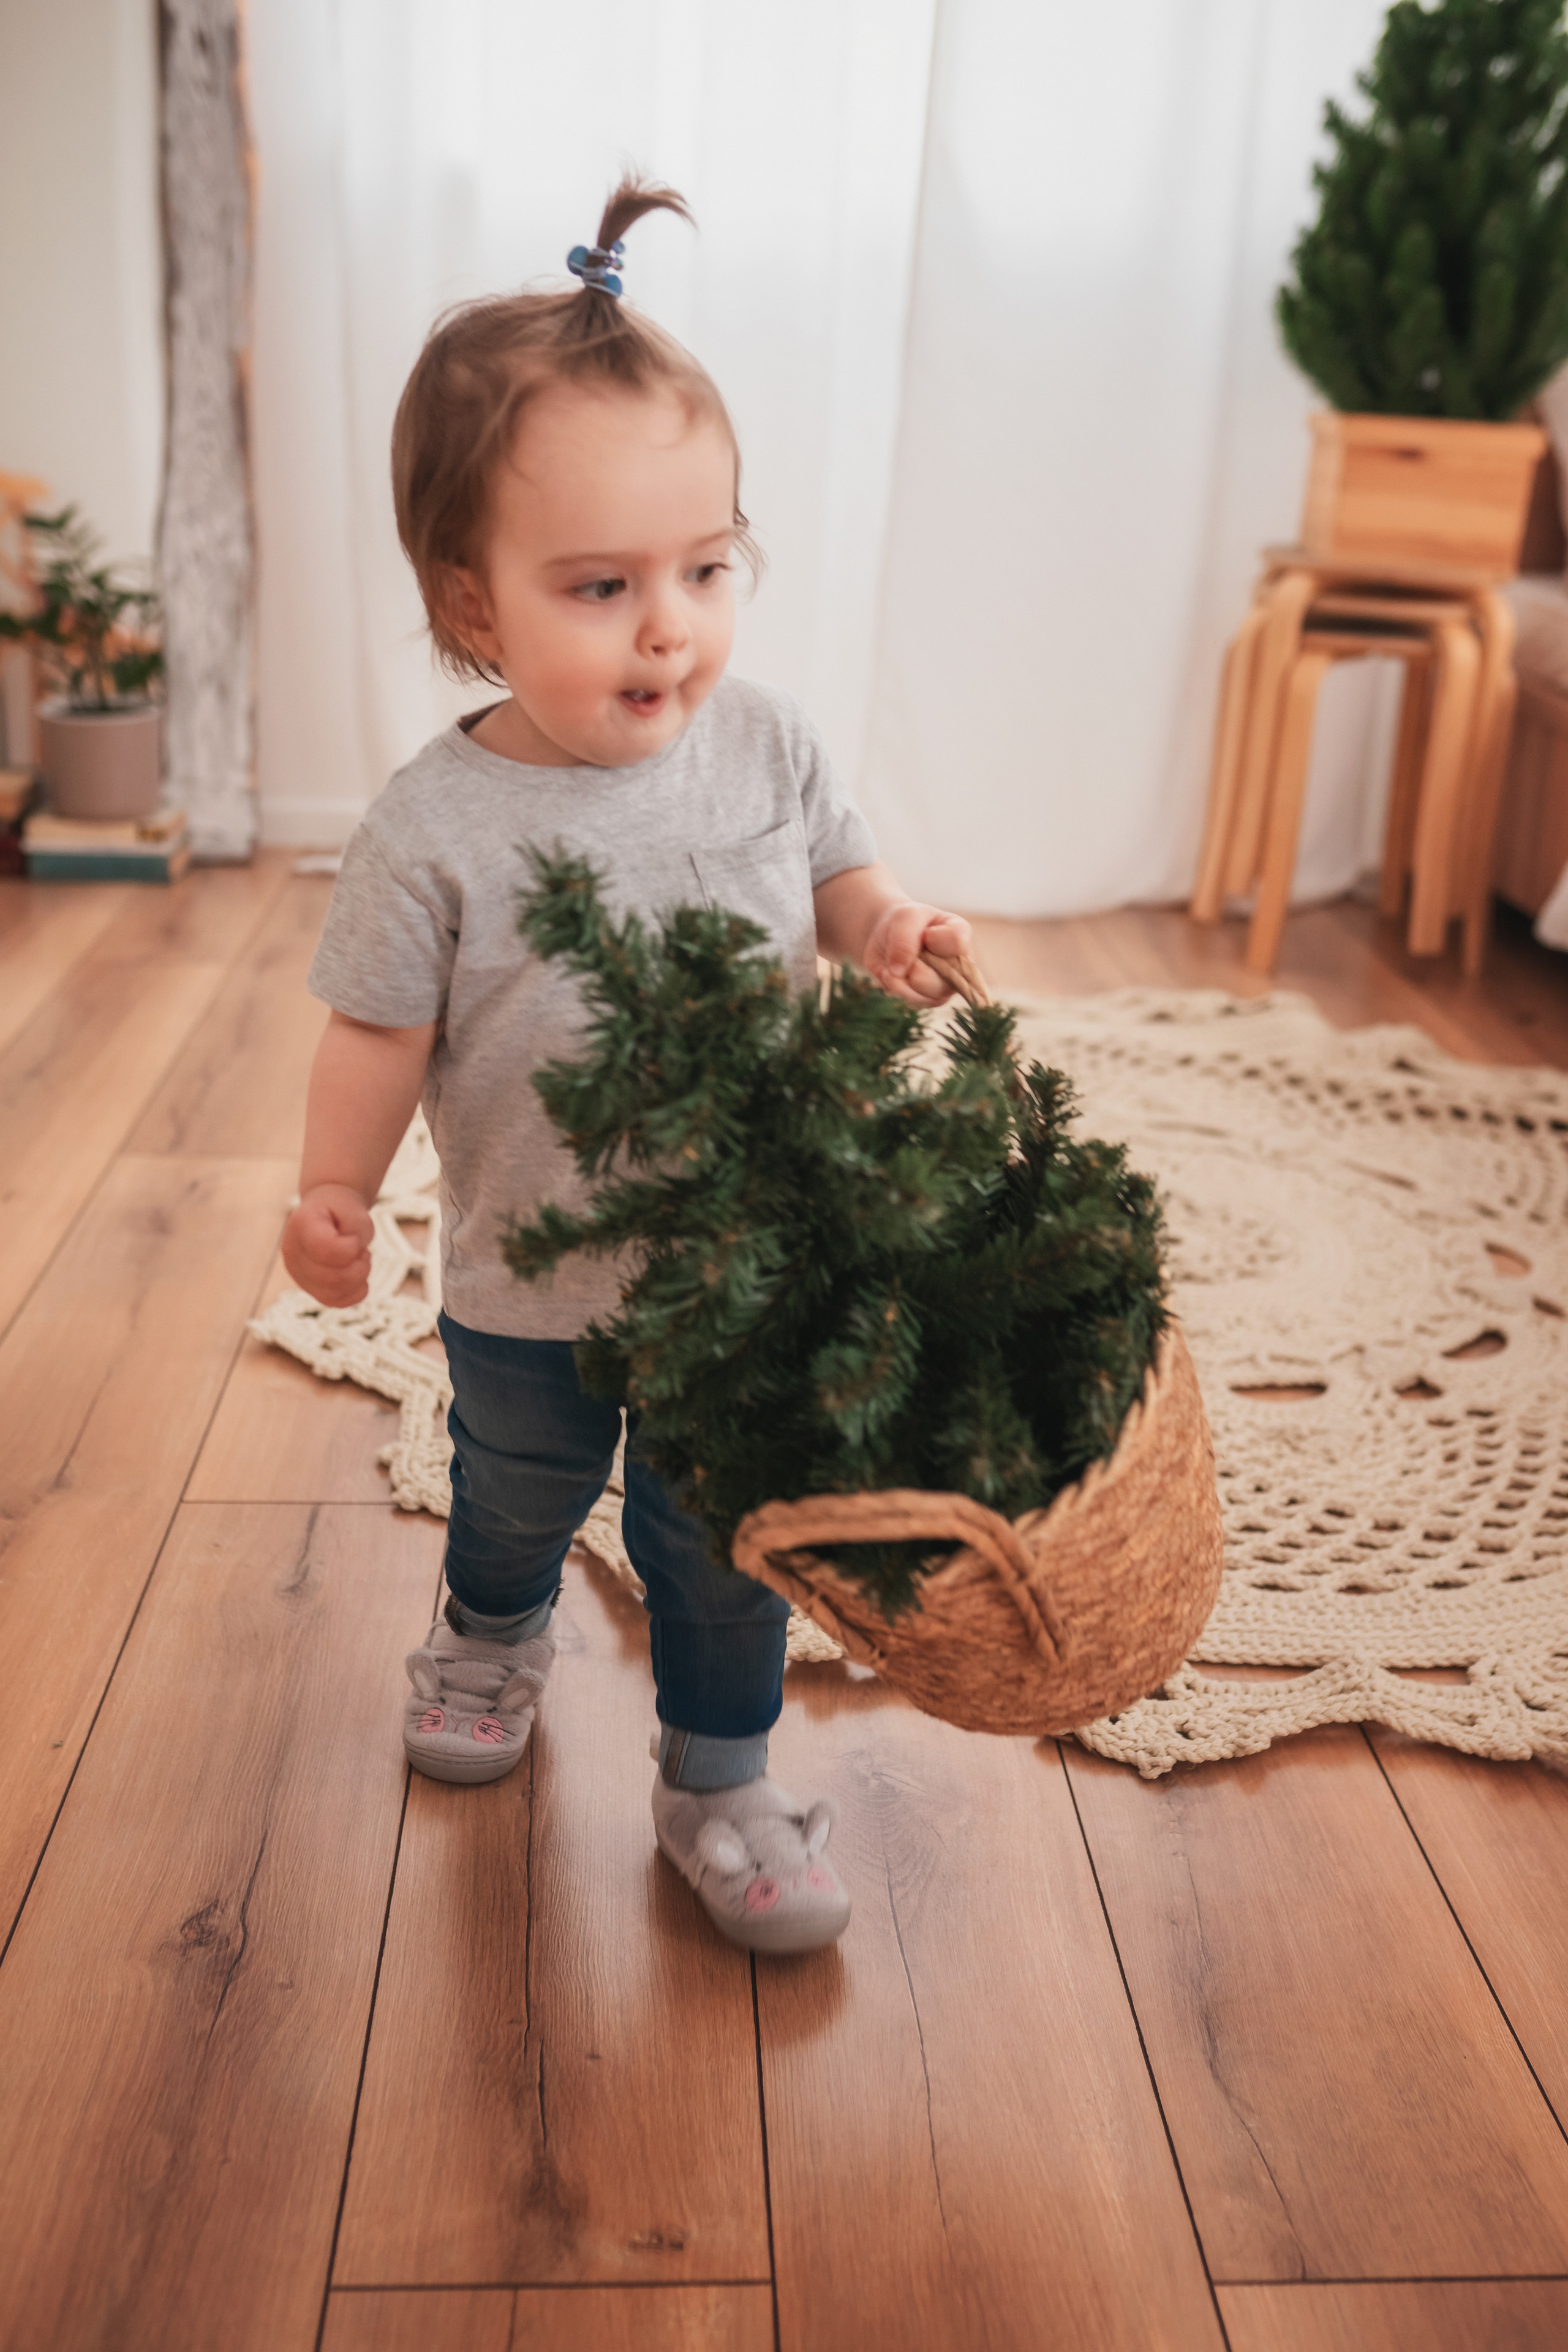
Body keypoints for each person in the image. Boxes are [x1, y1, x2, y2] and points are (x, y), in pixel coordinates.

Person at [283, 175, 972, 1956]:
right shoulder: (435, 827)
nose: (670, 622)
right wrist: (334, 1189)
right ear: (474, 604)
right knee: (515, 1490)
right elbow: (377, 1027)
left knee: (724, 1544)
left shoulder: (772, 746)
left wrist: (885, 929)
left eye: (705, 568)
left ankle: (723, 1784)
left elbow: (836, 875)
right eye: (602, 586)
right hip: (526, 1283)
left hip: (737, 1278)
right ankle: (490, 1634)